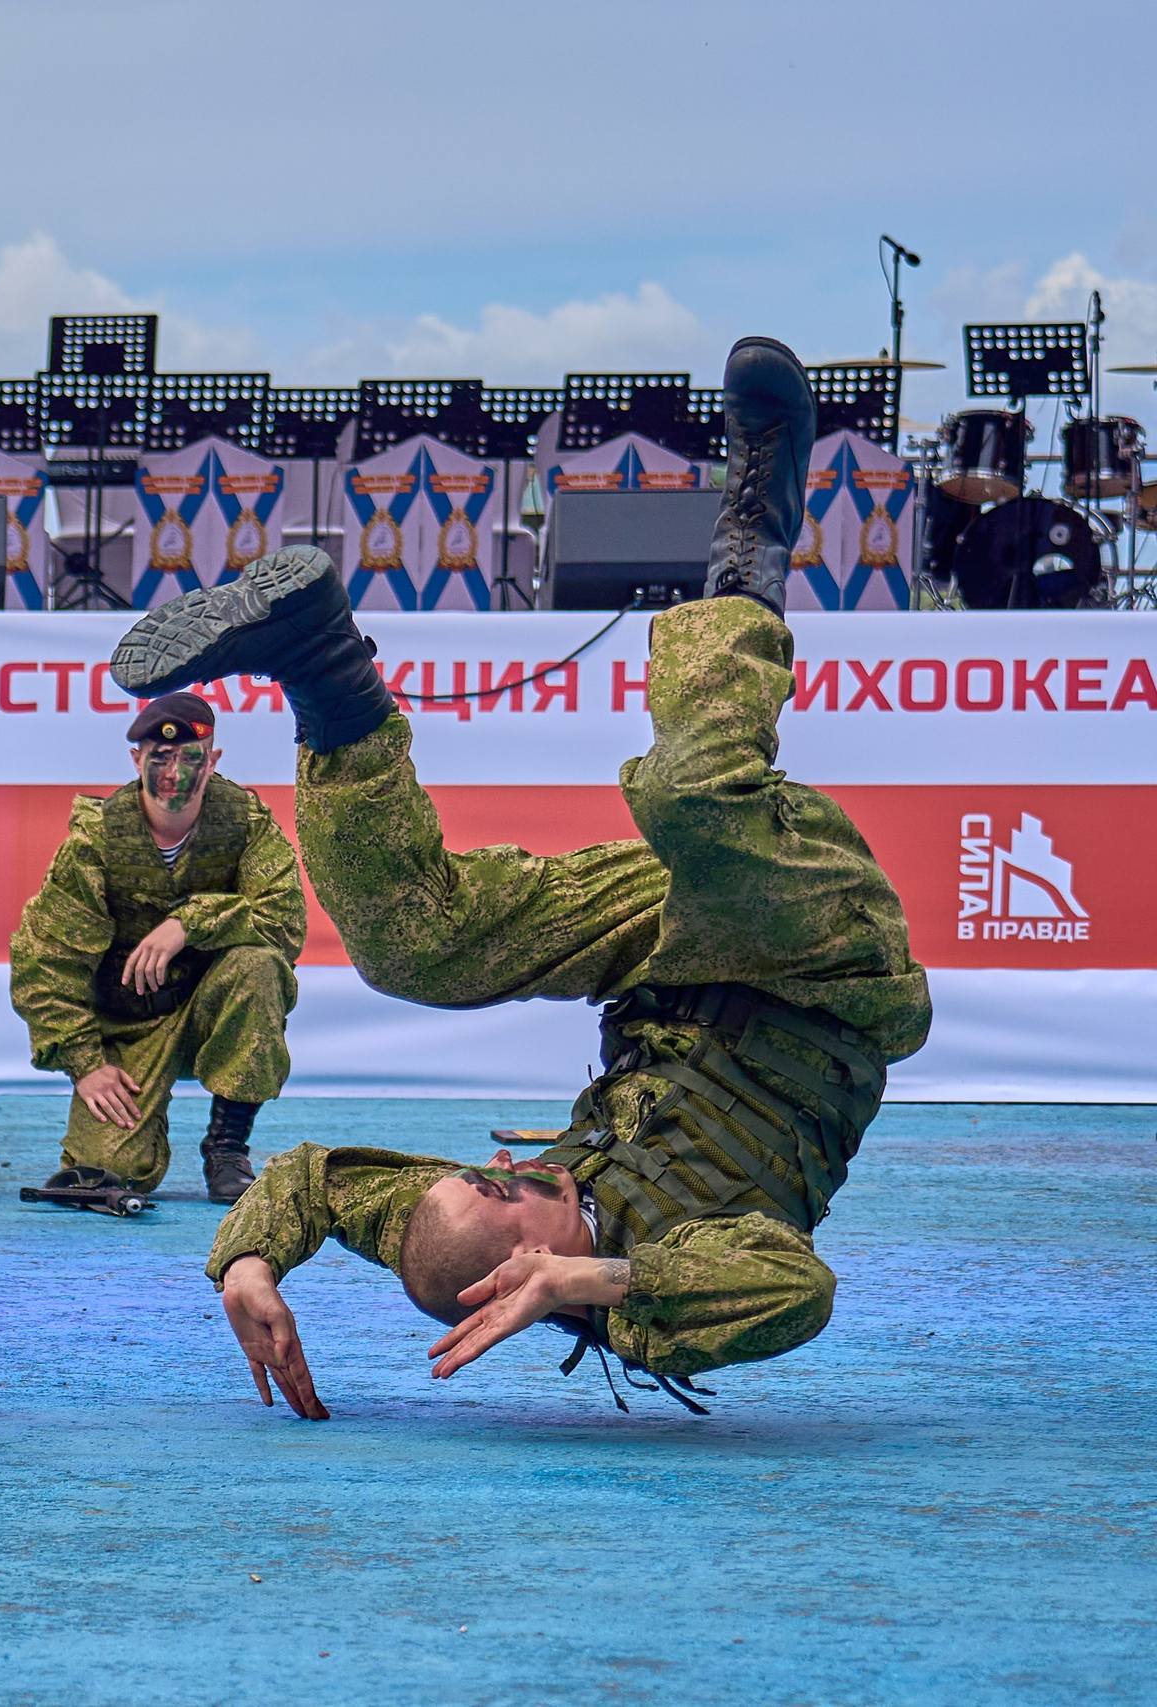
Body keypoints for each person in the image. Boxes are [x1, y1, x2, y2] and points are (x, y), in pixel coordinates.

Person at [108, 337, 929, 1416]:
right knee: (691, 797)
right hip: (823, 967)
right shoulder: (663, 1295)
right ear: (515, 1275)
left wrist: (245, 1263)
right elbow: (795, 1288)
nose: (510, 1175)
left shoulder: (461, 1217)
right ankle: (755, 531)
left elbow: (313, 1179)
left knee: (406, 947)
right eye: (505, 1196)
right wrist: (593, 1281)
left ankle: (322, 667)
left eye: (481, 1175)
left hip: (664, 947)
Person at [9, 691, 308, 1207]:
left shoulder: (244, 824)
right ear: (136, 760)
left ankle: (227, 1148)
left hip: (208, 1011)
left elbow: (283, 923)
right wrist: (85, 1063)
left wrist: (189, 923)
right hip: (125, 1026)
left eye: (190, 757)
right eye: (159, 757)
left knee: (259, 966)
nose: (173, 773)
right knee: (110, 1171)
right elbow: (45, 962)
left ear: (212, 762)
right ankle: (129, 1125)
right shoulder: (99, 840)